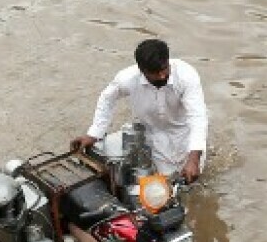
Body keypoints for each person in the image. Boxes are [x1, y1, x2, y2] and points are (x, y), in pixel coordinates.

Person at [71, 39, 208, 183]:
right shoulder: (127, 79)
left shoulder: (186, 76)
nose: (162, 75)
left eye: (164, 68)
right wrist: (94, 134)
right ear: (142, 70)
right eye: (155, 72)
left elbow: (197, 117)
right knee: (164, 186)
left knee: (193, 180)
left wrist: (194, 158)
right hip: (152, 135)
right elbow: (107, 98)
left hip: (184, 133)